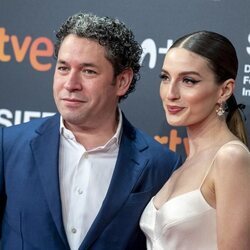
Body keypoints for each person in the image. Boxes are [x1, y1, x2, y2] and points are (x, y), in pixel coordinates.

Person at [0, 12, 181, 250]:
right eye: (63, 68)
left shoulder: (162, 165)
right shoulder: (9, 145)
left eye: (88, 71)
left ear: (122, 81)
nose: (70, 84)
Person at [140, 30, 250, 249]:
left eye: (188, 80)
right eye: (165, 77)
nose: (170, 93)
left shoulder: (231, 158)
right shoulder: (182, 165)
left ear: (224, 90)